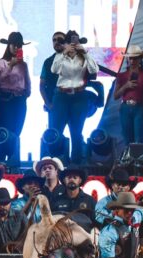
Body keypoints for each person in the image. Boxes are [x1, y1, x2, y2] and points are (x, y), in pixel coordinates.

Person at [50, 30, 98, 166]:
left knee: (77, 132)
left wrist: (85, 53)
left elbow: (94, 70)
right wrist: (64, 53)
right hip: (61, 96)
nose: (72, 45)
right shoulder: (59, 56)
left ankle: (75, 164)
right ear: (65, 44)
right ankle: (56, 162)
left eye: (75, 42)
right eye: (69, 42)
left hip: (79, 96)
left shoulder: (83, 56)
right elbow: (54, 70)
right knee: (57, 130)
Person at [0, 32, 31, 160]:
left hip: (19, 100)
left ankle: (13, 159)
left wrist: (28, 92)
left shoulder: (23, 64)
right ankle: (1, 159)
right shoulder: (2, 62)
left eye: (19, 45)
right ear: (9, 46)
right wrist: (11, 65)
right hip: (6, 99)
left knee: (17, 129)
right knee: (5, 129)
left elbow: (27, 80)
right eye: (14, 45)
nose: (16, 48)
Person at [113, 45, 143, 145]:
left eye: (135, 58)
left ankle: (137, 161)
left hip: (140, 108)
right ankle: (129, 160)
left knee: (139, 139)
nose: (133, 61)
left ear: (140, 59)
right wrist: (126, 86)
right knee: (127, 138)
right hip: (125, 107)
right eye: (130, 58)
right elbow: (115, 96)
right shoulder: (121, 76)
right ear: (128, 59)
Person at [39, 32, 65, 127]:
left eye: (60, 39)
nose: (56, 42)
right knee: (54, 136)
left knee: (76, 135)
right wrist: (48, 104)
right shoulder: (48, 62)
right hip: (54, 104)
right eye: (54, 40)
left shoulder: (74, 59)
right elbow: (41, 86)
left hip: (73, 103)